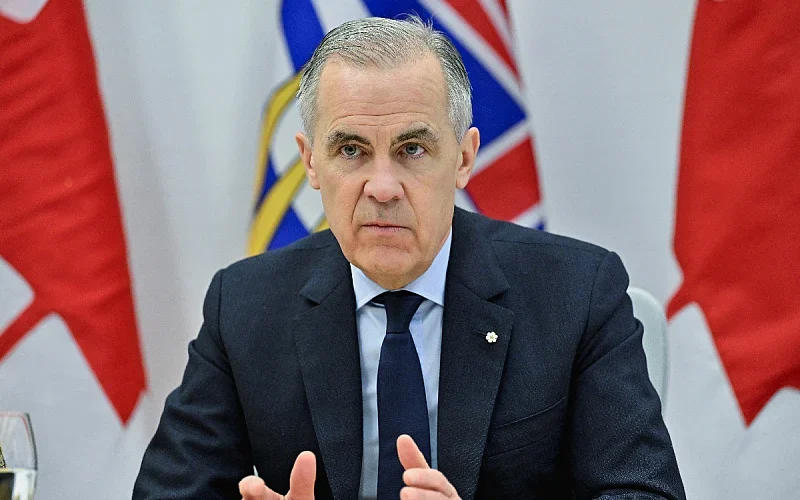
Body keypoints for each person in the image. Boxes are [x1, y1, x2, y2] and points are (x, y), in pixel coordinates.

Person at [133, 16, 685, 500]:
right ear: (310, 163)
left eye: (412, 149)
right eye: (351, 150)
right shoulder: (244, 306)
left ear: (463, 158)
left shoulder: (577, 294)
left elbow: (642, 491)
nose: (382, 187)